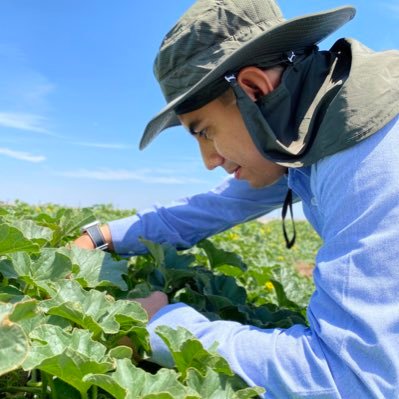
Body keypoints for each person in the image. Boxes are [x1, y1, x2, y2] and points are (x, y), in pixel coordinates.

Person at [74, 0, 399, 397]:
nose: (209, 161)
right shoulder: (306, 131)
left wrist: (160, 326)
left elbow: (353, 380)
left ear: (254, 89)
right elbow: (217, 206)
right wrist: (103, 235)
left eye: (204, 131)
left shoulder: (373, 160)